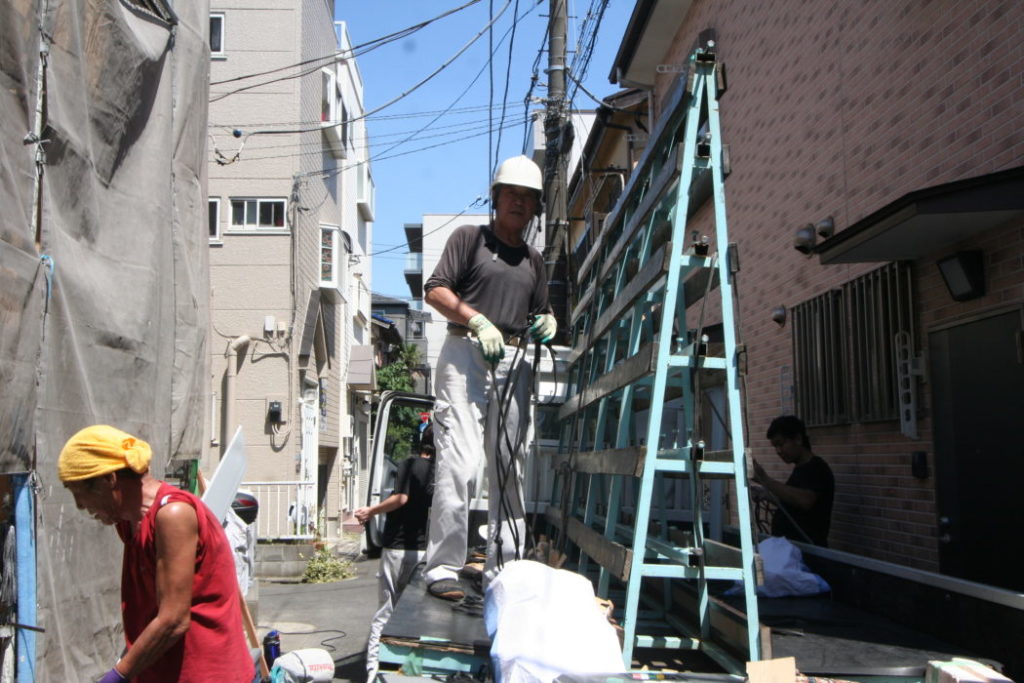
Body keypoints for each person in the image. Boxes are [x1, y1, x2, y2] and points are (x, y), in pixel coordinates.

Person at [421, 155, 556, 601]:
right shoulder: (470, 239)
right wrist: (477, 320)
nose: (519, 202)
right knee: (461, 461)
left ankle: (506, 563)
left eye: (528, 197)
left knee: (510, 466)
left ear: (536, 206)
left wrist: (547, 322)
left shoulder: (534, 260)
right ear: (496, 197)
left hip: (514, 358)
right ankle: (442, 566)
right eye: (511, 194)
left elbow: (541, 311)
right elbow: (436, 288)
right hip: (466, 353)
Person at [58, 425, 254, 683]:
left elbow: (173, 620)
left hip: (207, 675)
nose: (81, 506)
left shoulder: (173, 515)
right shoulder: (128, 523)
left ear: (110, 480)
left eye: (80, 493)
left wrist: (118, 676)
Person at [355, 424, 436, 681]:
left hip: (397, 547)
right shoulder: (441, 472)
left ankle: (374, 673)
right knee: (414, 614)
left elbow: (401, 499)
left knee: (386, 611)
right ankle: (410, 673)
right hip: (424, 550)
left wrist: (371, 511)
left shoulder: (410, 463)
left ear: (420, 440)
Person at [753, 415, 835, 546]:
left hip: (807, 557)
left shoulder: (817, 468)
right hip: (791, 552)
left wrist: (765, 480)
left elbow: (805, 500)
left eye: (781, 444)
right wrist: (766, 494)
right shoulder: (799, 469)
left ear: (798, 439)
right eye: (775, 447)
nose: (778, 451)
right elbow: (792, 503)